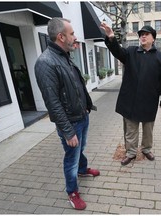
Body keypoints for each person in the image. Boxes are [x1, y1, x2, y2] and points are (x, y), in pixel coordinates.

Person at [34, 17, 100, 210]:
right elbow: (52, 103)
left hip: (81, 116)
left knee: (81, 149)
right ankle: (72, 191)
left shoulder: (64, 57)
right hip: (70, 123)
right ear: (61, 37)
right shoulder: (45, 63)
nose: (75, 37)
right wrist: (67, 130)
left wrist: (86, 107)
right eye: (71, 34)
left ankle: (82, 169)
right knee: (71, 157)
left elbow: (75, 86)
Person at [100, 22, 161, 166]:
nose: (143, 37)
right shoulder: (131, 52)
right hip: (130, 100)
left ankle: (146, 149)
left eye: (146, 34)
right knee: (131, 130)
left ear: (153, 38)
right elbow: (117, 52)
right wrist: (111, 37)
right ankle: (131, 152)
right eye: (141, 35)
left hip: (149, 100)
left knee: (148, 129)